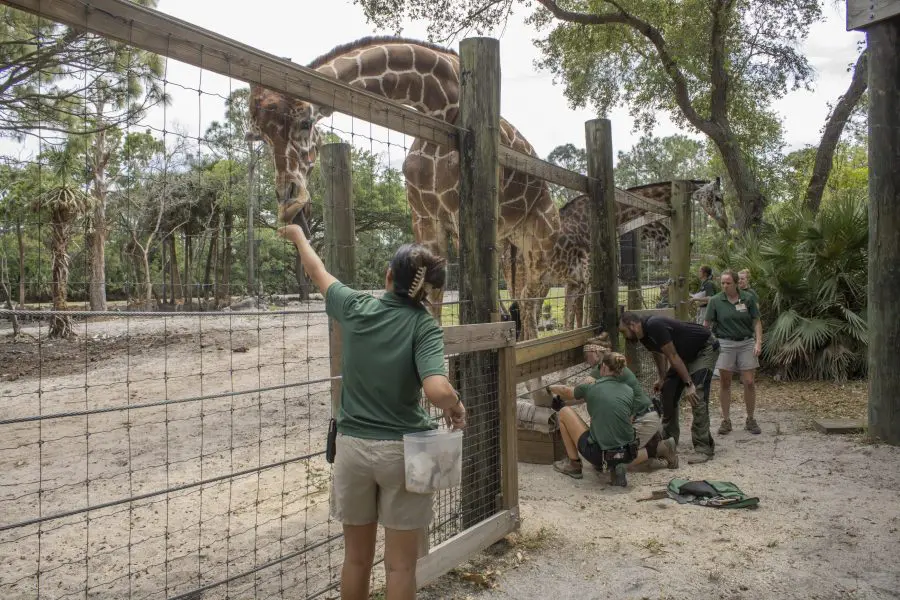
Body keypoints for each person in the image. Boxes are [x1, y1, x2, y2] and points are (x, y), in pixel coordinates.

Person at [278, 224, 466, 600]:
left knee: (355, 560)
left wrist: (299, 235)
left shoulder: (355, 306)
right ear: (431, 290)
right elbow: (437, 389)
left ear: (388, 276)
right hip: (403, 453)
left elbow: (317, 270)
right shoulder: (424, 326)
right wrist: (456, 407)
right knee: (399, 566)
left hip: (352, 450)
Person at [549, 342, 679, 473]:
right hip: (643, 414)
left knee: (613, 461)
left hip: (644, 418)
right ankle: (651, 443)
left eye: (586, 356)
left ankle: (660, 448)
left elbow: (575, 391)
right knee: (611, 456)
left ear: (595, 352)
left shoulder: (601, 369)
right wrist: (565, 403)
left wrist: (550, 390)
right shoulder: (617, 369)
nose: (586, 360)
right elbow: (588, 394)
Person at [619, 311, 719, 464]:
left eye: (624, 331)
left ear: (632, 325)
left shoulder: (654, 326)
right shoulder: (643, 335)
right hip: (683, 355)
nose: (624, 336)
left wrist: (689, 384)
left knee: (696, 395)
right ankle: (669, 440)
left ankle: (703, 447)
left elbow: (672, 356)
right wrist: (661, 378)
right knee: (667, 390)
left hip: (703, 349)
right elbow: (657, 353)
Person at [546, 352, 651, 487]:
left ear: (604, 367)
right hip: (627, 453)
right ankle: (617, 466)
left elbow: (566, 391)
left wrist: (549, 388)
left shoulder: (591, 387)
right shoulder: (629, 391)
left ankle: (574, 464)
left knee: (564, 412)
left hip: (599, 455)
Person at [705, 269, 763, 435]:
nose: (725, 286)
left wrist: (758, 342)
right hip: (724, 343)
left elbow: (757, 322)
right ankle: (726, 420)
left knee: (749, 381)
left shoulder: (748, 298)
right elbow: (706, 324)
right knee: (725, 382)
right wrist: (708, 343)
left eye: (728, 283)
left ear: (736, 283)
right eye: (722, 283)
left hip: (746, 342)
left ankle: (750, 419)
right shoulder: (715, 300)